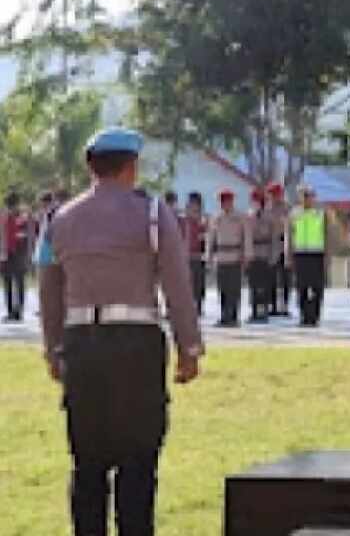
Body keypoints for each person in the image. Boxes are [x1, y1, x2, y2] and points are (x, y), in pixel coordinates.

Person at [35, 127, 202, 535]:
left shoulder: (58, 219)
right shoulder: (152, 212)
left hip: (82, 345)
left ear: (90, 168)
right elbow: (177, 283)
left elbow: (49, 289)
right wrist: (189, 346)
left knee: (87, 463)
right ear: (131, 166)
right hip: (136, 343)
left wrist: (53, 349)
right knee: (138, 460)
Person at [287, 186, 329, 328]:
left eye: (309, 196)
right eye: (304, 196)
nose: (307, 199)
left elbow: (327, 234)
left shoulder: (320, 213)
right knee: (301, 287)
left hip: (317, 253)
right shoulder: (294, 214)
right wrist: (289, 254)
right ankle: (304, 316)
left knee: (317, 287)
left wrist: (327, 255)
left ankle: (314, 316)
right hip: (300, 254)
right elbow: (290, 235)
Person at [207, 189, 249, 328]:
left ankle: (234, 317)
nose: (224, 204)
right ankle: (224, 316)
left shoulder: (240, 217)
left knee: (234, 289)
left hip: (235, 256)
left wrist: (247, 255)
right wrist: (209, 256)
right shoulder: (216, 218)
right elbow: (211, 238)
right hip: (221, 257)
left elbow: (246, 237)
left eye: (227, 200)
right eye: (222, 201)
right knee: (223, 289)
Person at [246, 189, 276, 323]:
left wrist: (273, 255)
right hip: (253, 254)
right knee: (253, 284)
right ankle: (254, 311)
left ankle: (264, 311)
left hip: (265, 253)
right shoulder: (248, 216)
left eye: (257, 200)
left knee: (264, 285)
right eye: (254, 200)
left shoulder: (269, 217)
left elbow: (274, 237)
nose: (255, 203)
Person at [3, 193, 30, 322]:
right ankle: (11, 311)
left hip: (18, 252)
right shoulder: (5, 216)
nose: (11, 207)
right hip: (8, 252)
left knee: (18, 282)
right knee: (8, 282)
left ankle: (18, 311)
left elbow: (28, 233)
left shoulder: (23, 216)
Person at [266, 182, 291, 316]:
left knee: (285, 278)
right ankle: (272, 305)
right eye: (272, 194)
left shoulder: (287, 208)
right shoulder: (267, 209)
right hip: (271, 246)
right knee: (271, 279)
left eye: (276, 194)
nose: (274, 197)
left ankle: (284, 306)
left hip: (284, 245)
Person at [182, 192, 208, 316]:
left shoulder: (203, 221)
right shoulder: (183, 221)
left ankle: (198, 306)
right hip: (185, 257)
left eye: (195, 204)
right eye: (190, 203)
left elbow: (207, 239)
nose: (192, 207)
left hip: (199, 256)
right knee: (186, 283)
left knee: (199, 283)